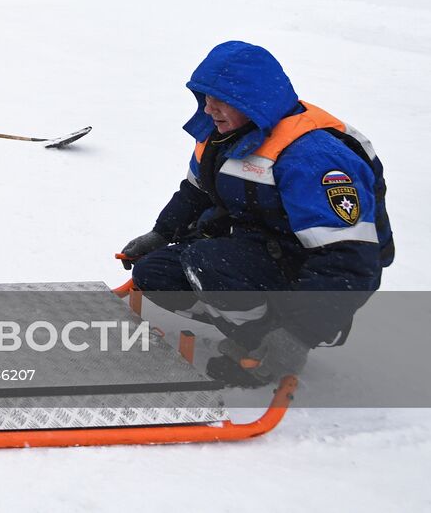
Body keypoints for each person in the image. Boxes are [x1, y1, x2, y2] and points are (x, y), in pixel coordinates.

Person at [120, 41, 393, 386]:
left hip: (309, 270)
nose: (208, 109)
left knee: (209, 264)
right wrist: (161, 234)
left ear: (254, 101)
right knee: (156, 274)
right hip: (258, 245)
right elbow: (197, 191)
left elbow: (351, 261)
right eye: (205, 97)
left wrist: (299, 333)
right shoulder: (221, 135)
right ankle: (253, 322)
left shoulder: (313, 158)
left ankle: (265, 341)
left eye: (221, 100)